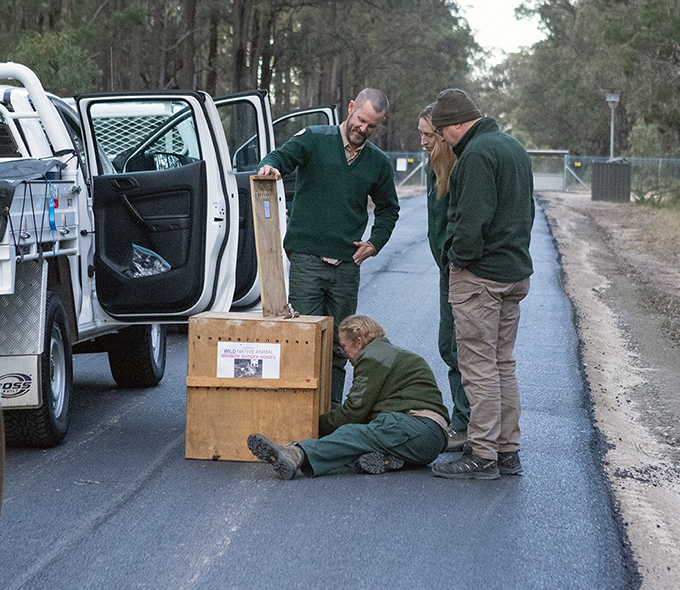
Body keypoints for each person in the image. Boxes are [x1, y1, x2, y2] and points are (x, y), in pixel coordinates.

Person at [257, 89, 400, 406]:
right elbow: (282, 156)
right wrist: (270, 166)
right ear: (351, 108)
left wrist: (375, 243)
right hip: (308, 259)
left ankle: (331, 411)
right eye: (361, 120)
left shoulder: (377, 162)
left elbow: (389, 209)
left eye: (371, 126)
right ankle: (298, 409)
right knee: (302, 339)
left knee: (341, 344)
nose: (363, 129)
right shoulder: (314, 138)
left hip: (347, 267)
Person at [428, 89, 535, 480]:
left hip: (481, 278)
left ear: (456, 123)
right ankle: (508, 451)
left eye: (441, 131)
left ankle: (483, 454)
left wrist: (458, 258)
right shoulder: (513, 148)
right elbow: (527, 211)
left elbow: (471, 221)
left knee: (479, 366)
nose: (441, 139)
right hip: (514, 273)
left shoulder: (475, 154)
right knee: (503, 363)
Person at [247, 315, 449, 479]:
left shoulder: (374, 357)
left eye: (343, 347)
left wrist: (310, 425)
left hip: (420, 429)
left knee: (355, 433)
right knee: (361, 436)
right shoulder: (388, 353)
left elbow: (353, 412)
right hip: (424, 438)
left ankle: (297, 453)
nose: (343, 354)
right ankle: (389, 460)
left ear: (359, 342)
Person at [418, 104, 470, 452]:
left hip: (460, 268)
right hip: (444, 269)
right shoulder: (431, 167)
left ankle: (467, 423)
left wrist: (453, 257)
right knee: (447, 344)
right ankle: (463, 419)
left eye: (427, 134)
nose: (421, 140)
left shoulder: (462, 165)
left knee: (462, 348)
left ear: (443, 135)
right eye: (420, 133)